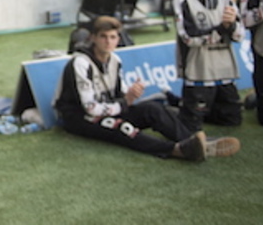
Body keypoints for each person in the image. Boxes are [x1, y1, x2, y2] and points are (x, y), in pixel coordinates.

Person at [55, 16, 240, 162]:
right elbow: (90, 108)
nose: (107, 42)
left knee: (153, 109)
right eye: (103, 37)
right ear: (93, 38)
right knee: (122, 127)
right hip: (79, 119)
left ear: (118, 39)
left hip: (107, 110)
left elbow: (118, 94)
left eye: (112, 37)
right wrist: (125, 102)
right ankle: (177, 151)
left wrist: (131, 94)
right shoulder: (80, 63)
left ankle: (195, 141)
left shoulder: (115, 61)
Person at [173, 0, 245, 132]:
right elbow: (189, 37)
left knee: (232, 119)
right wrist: (222, 28)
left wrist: (231, 26)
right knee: (191, 125)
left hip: (224, 66)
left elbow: (239, 35)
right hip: (198, 67)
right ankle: (176, 106)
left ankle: (183, 106)